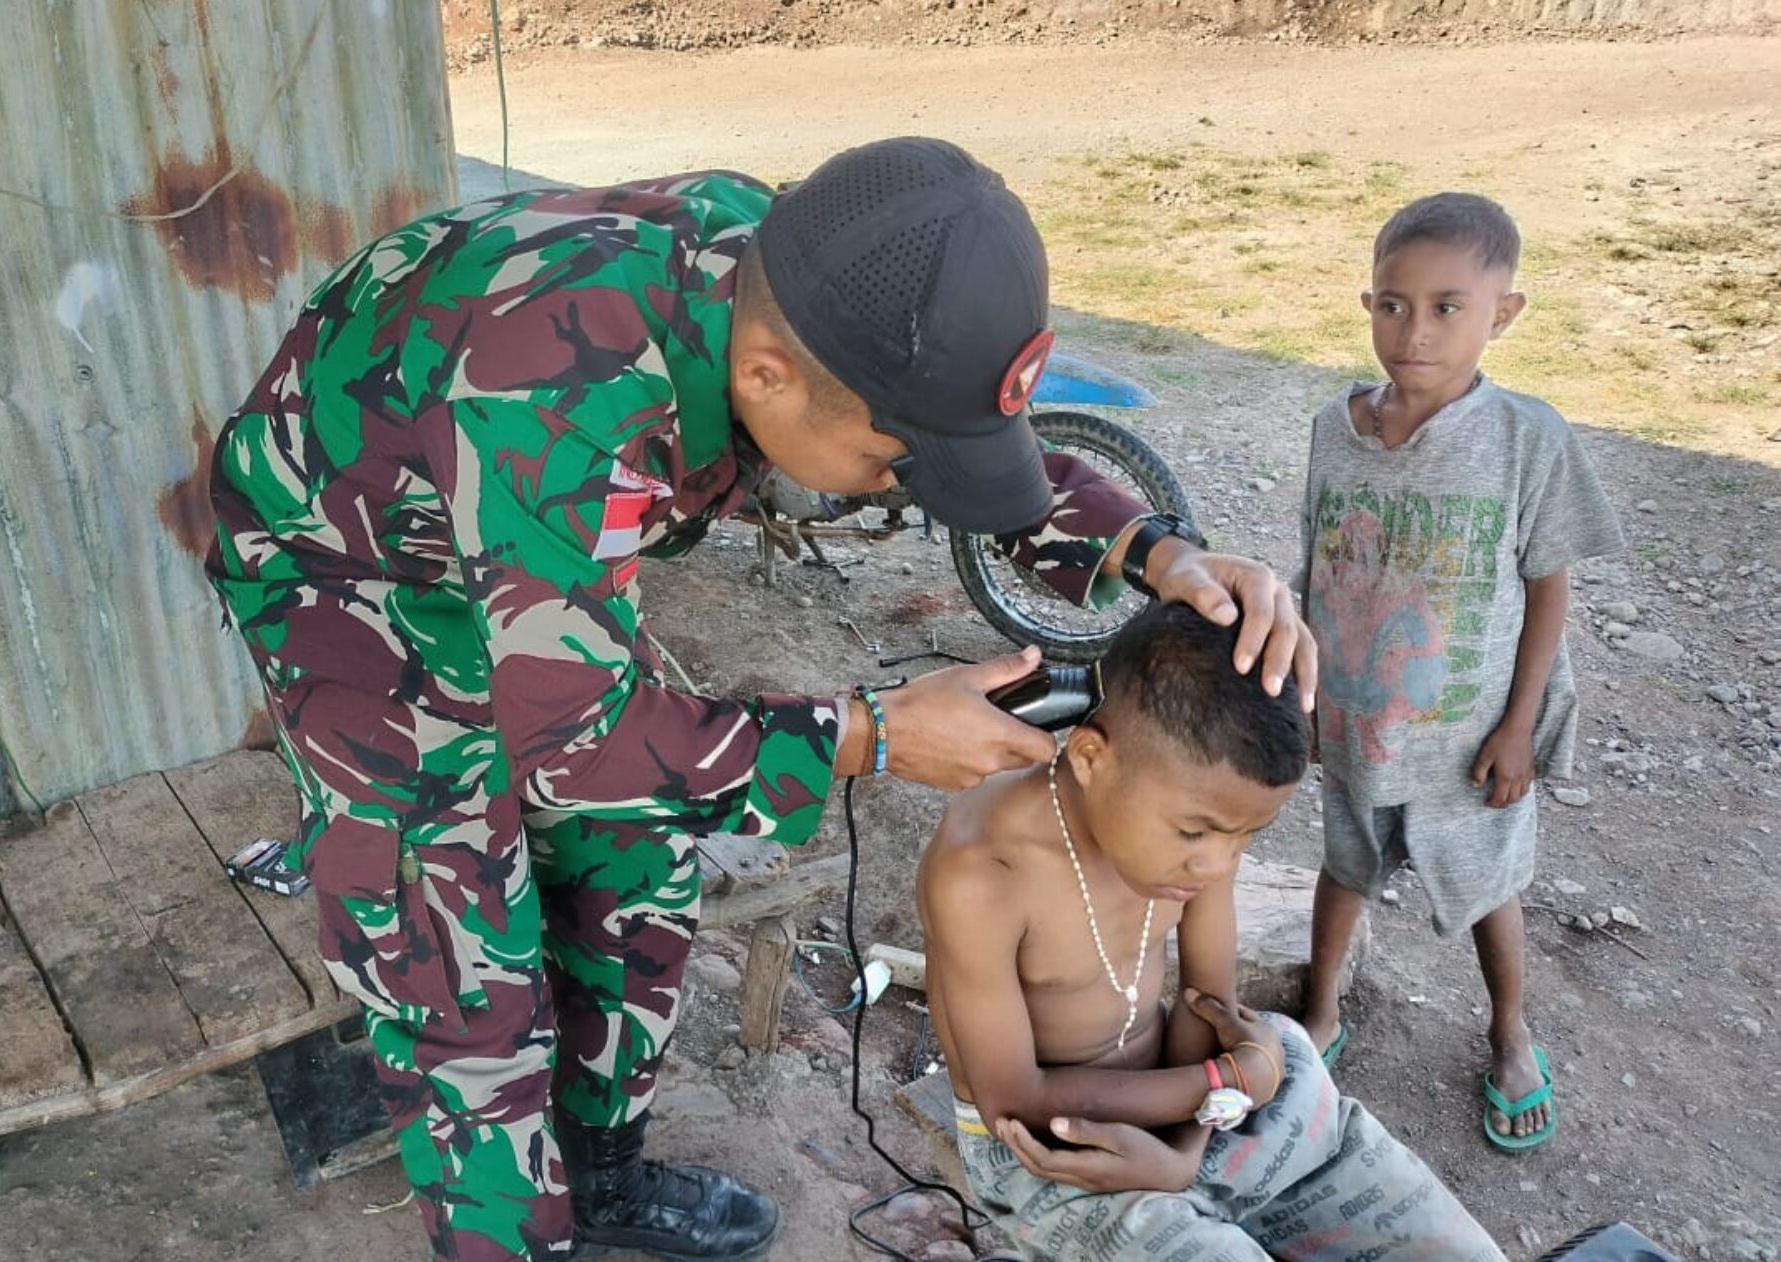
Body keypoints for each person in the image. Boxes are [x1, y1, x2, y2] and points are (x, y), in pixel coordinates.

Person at [204, 136, 1316, 1262]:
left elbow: (954, 436)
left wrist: (1152, 550)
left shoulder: (816, 273)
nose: (905, 490)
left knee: (636, 856)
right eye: (895, 467)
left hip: (519, 529)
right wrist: (868, 733)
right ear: (769, 378)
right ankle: (512, 1234)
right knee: (459, 957)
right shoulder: (559, 394)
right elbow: (573, 749)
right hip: (355, 577)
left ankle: (598, 1172)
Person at [920, 602, 1505, 1260]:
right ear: (1089, 757)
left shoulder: (1200, 831)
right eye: (1196, 832)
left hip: (1196, 1098)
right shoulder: (983, 871)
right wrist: (1225, 1084)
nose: (1220, 864)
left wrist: (1193, 1137)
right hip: (1056, 1149)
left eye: (1246, 836)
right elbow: (1014, 1101)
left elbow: (1208, 1003)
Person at [1296, 193, 1624, 1151]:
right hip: (1359, 718)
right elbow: (1317, 566)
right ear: (1367, 304)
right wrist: (1307, 691)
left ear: (1503, 313)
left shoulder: (1528, 439)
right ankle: (1321, 1009)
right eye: (1393, 304)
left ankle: (1509, 1031)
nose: (1415, 331)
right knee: (1344, 862)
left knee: (1487, 885)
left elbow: (1548, 593)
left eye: (1448, 306)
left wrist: (1521, 725)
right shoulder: (1335, 426)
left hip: (1470, 737)